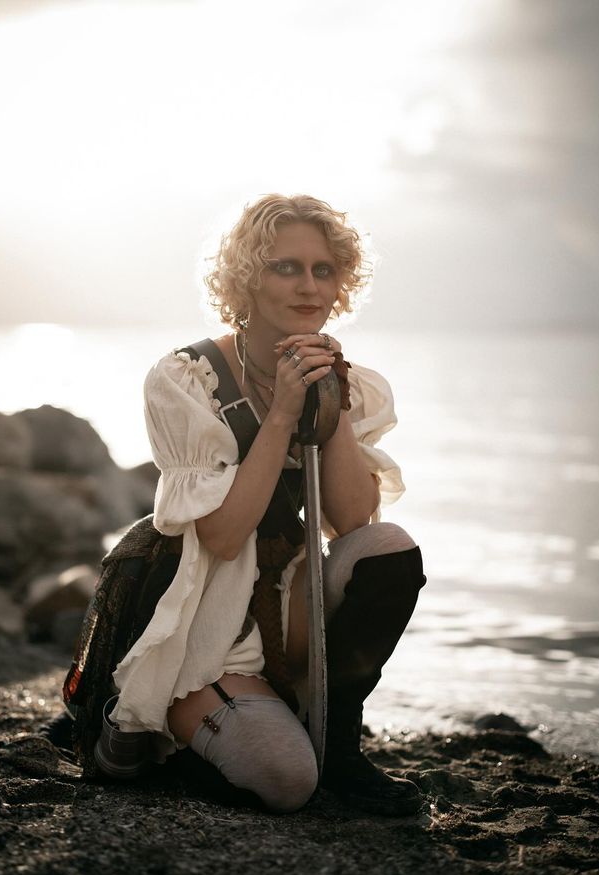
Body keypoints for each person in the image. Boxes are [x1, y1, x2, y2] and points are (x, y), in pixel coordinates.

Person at [103, 193, 426, 814]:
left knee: (388, 549)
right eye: (285, 267)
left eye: (323, 270)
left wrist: (331, 409)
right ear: (246, 279)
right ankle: (181, 738)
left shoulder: (344, 379)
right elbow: (222, 538)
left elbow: (352, 520)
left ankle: (339, 745)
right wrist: (280, 412)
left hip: (287, 610)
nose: (309, 287)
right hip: (205, 629)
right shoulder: (185, 378)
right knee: (285, 782)